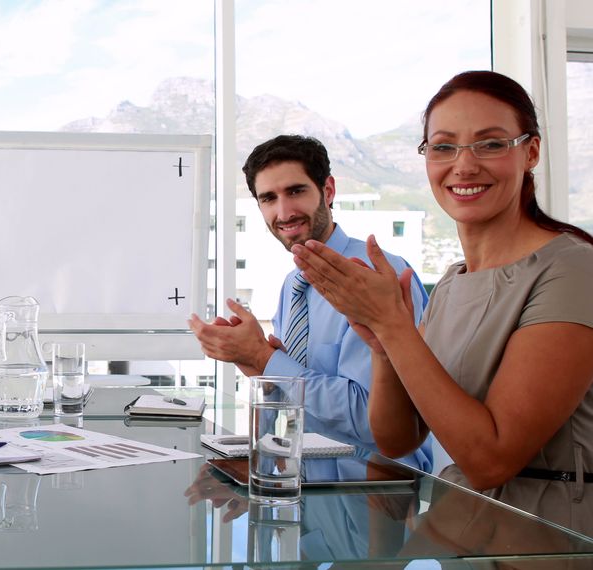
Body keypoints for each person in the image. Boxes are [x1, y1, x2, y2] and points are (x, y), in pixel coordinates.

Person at [290, 70, 593, 532]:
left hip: (548, 536)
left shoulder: (572, 269)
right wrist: (382, 344)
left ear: (530, 151)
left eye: (491, 144)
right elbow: (396, 438)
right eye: (444, 147)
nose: (464, 166)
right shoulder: (451, 283)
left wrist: (394, 327)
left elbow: (492, 459)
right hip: (463, 527)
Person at [188, 135, 432, 471]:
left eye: (296, 191)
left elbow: (374, 422)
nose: (283, 212)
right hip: (309, 489)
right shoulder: (292, 285)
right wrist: (263, 370)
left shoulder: (379, 277)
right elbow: (300, 403)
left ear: (328, 191)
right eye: (269, 198)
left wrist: (267, 358)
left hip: (378, 489)